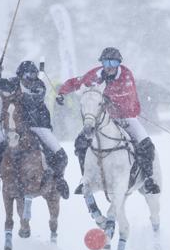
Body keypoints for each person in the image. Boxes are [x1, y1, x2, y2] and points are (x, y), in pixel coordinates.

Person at [56, 47, 160, 195]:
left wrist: (107, 98)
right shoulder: (96, 74)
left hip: (126, 117)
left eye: (113, 62)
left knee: (146, 144)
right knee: (80, 143)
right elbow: (77, 82)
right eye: (106, 62)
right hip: (103, 119)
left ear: (119, 63)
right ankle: (85, 179)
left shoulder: (126, 75)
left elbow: (127, 97)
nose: (109, 66)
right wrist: (62, 92)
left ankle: (149, 179)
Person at [0, 61, 69, 199]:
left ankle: (59, 180)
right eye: (28, 74)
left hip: (38, 125)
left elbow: (32, 101)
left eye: (34, 74)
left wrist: (14, 95)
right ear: (21, 75)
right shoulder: (13, 83)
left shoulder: (39, 85)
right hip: (13, 127)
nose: (32, 77)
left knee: (61, 155)